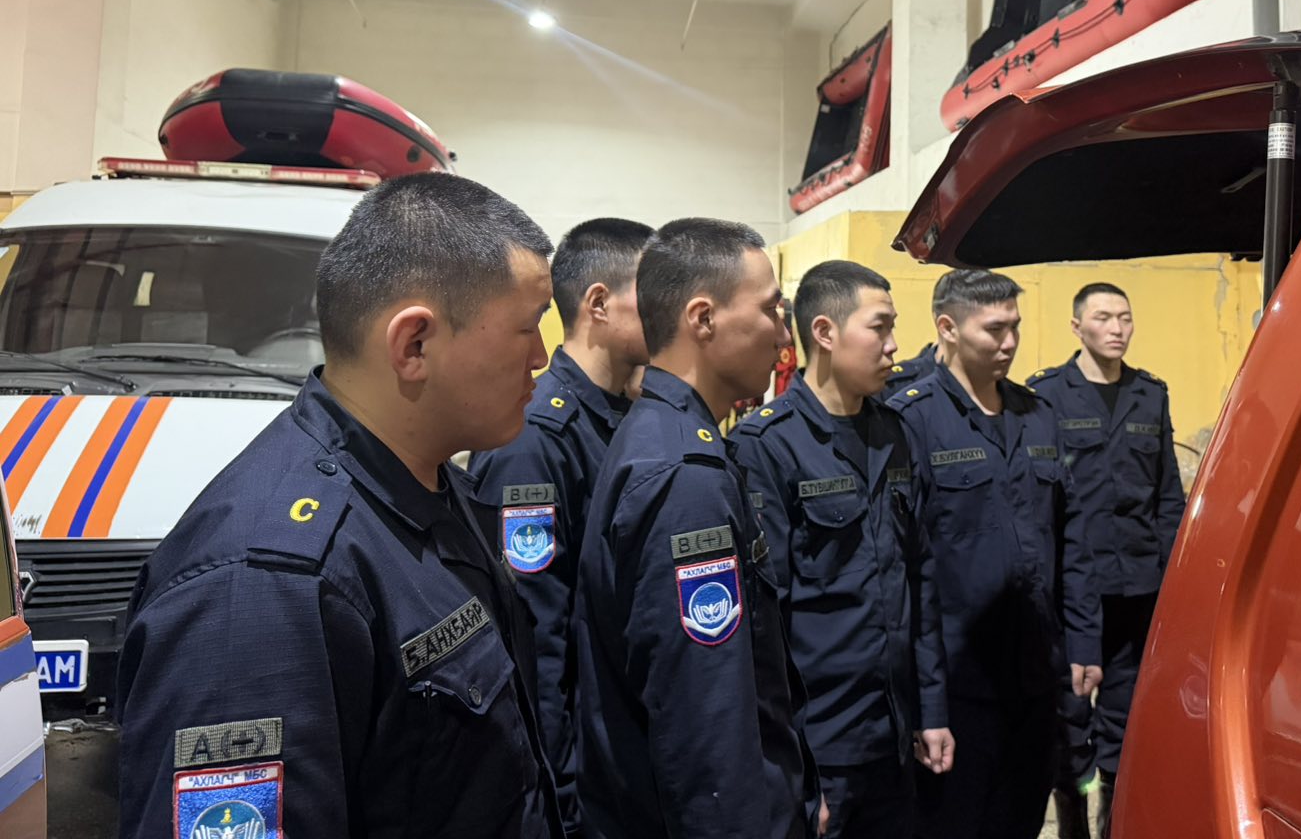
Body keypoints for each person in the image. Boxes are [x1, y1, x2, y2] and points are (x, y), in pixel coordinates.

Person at [116, 173, 563, 839]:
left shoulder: (433, 491)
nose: (541, 357)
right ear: (414, 345)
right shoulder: (267, 588)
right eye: (526, 329)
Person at [574, 218, 820, 839]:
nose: (783, 334)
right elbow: (705, 728)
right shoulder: (684, 475)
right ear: (703, 319)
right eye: (770, 310)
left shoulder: (665, 435)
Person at [732, 261, 953, 838]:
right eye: (879, 327)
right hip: (821, 744)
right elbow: (765, 623)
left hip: (894, 734)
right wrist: (793, 768)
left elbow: (920, 579)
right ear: (825, 332)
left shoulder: (894, 431)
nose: (894, 344)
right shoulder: (767, 445)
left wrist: (931, 709)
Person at [888, 269, 1100, 839]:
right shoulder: (911, 419)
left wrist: (1084, 640)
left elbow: (1072, 538)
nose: (1009, 343)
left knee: (1021, 816)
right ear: (948, 328)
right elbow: (905, 571)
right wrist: (926, 702)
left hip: (1036, 671)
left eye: (1015, 327)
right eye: (994, 329)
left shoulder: (1037, 414)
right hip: (959, 680)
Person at [468, 217, 654, 837]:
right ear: (598, 304)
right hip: (578, 782)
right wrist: (560, 797)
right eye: (651, 294)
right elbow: (534, 639)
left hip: (622, 760)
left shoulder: (627, 421)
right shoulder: (537, 440)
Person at [1027, 283, 1185, 837]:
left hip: (1137, 586)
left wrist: (1171, 578)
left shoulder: (1150, 395)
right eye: (1102, 318)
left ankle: (1113, 821)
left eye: (1125, 317)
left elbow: (1168, 496)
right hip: (1074, 591)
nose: (1116, 328)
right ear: (1077, 327)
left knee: (1125, 715)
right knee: (1070, 718)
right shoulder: (1046, 395)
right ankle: (1073, 822)